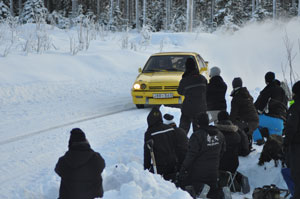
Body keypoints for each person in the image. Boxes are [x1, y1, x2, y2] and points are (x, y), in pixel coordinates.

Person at [178, 112, 225, 198]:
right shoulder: (219, 134)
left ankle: (200, 190)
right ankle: (218, 192)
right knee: (212, 188)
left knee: (185, 183)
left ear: (198, 123)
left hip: (198, 174)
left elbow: (190, 156)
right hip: (213, 172)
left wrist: (183, 169)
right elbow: (222, 151)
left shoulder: (197, 136)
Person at [55, 128, 105, 199]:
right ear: (85, 141)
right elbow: (102, 165)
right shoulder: (95, 158)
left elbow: (57, 170)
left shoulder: (63, 160)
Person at [144, 107, 179, 182]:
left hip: (160, 167)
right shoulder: (170, 129)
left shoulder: (149, 133)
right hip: (174, 164)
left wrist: (146, 170)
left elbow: (147, 153)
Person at [253, 72, 288, 142]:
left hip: (271, 119)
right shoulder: (283, 92)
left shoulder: (267, 90)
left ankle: (258, 140)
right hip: (281, 123)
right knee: (275, 145)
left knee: (251, 120)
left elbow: (258, 107)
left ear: (266, 81)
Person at [177, 57, 207, 134]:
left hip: (188, 109)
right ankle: (198, 145)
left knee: (183, 131)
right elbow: (206, 90)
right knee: (199, 132)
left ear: (186, 67)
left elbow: (180, 92)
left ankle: (182, 144)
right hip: (201, 108)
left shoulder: (184, 80)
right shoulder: (203, 78)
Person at [229, 77, 259, 152]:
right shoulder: (248, 95)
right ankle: (248, 144)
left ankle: (243, 146)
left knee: (233, 125)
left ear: (233, 85)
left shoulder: (236, 98)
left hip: (248, 123)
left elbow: (233, 116)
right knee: (243, 124)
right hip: (256, 121)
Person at [283, 81, 300, 199]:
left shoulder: (295, 107)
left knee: (297, 174)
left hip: (297, 145)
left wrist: (286, 142)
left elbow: (291, 127)